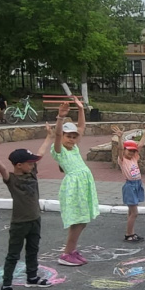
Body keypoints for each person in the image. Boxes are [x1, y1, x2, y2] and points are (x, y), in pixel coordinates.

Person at [0, 126, 55, 290]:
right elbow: (2, 169)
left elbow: (40, 152)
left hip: (35, 219)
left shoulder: (31, 173)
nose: (33, 165)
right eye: (29, 163)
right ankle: (6, 286)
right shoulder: (12, 179)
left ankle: (32, 277)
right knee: (13, 254)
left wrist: (49, 137)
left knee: (33, 249)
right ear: (19, 165)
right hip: (20, 222)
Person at [52, 99, 100, 266]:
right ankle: (66, 254)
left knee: (83, 219)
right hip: (75, 186)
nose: (72, 139)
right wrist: (60, 117)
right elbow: (57, 135)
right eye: (68, 136)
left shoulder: (75, 147)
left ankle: (71, 250)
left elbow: (81, 127)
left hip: (84, 184)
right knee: (78, 220)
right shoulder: (59, 151)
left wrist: (81, 109)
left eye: (73, 137)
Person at [112, 124, 145, 242]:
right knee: (134, 213)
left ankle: (131, 232)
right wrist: (120, 138)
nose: (131, 153)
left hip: (137, 184)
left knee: (131, 212)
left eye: (133, 151)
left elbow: (140, 145)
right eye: (129, 151)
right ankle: (129, 234)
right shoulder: (122, 160)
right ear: (124, 150)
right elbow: (120, 149)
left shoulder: (134, 158)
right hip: (129, 185)